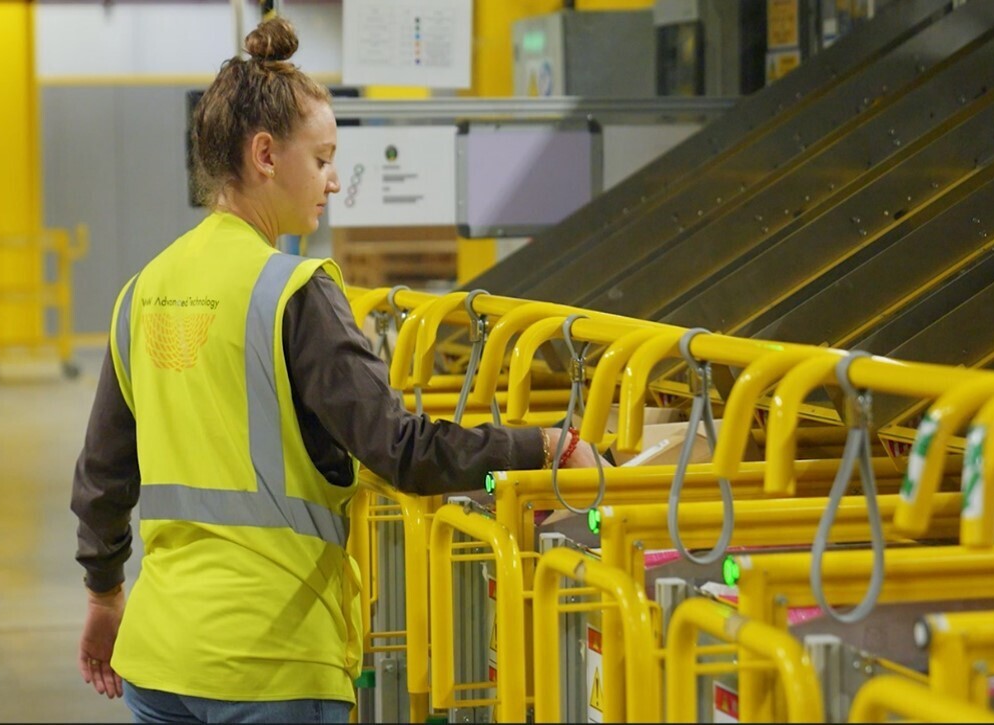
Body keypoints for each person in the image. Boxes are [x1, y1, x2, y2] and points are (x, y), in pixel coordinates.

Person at [70, 17, 598, 725]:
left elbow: (103, 475)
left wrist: (105, 596)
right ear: (265, 154)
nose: (333, 181)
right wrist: (542, 448)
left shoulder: (142, 292)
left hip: (162, 663)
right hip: (275, 664)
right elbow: (402, 451)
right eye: (321, 159)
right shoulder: (294, 291)